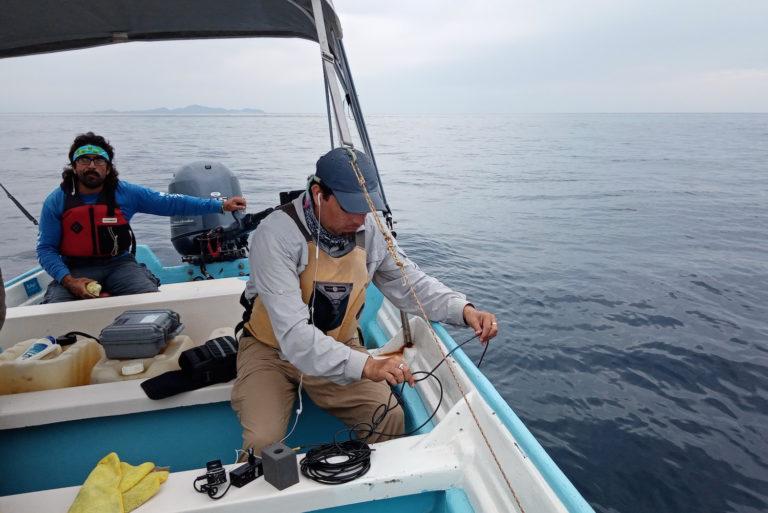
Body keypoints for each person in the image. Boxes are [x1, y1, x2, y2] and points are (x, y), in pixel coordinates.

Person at [232, 147, 498, 455]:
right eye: (350, 208)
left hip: (340, 344)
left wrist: (463, 310)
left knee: (388, 417)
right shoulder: (275, 234)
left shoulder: (370, 229)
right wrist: (367, 365)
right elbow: (294, 336)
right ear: (319, 194)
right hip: (271, 351)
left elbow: (410, 283)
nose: (360, 220)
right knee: (262, 443)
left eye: (367, 208)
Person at [37, 132, 246, 303]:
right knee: (54, 313)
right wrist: (67, 280)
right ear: (74, 166)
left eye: (99, 160)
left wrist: (220, 205)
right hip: (74, 269)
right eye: (84, 159)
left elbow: (171, 202)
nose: (91, 166)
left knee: (151, 304)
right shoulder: (57, 201)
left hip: (118, 265)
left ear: (108, 168)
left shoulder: (125, 193)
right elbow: (46, 249)